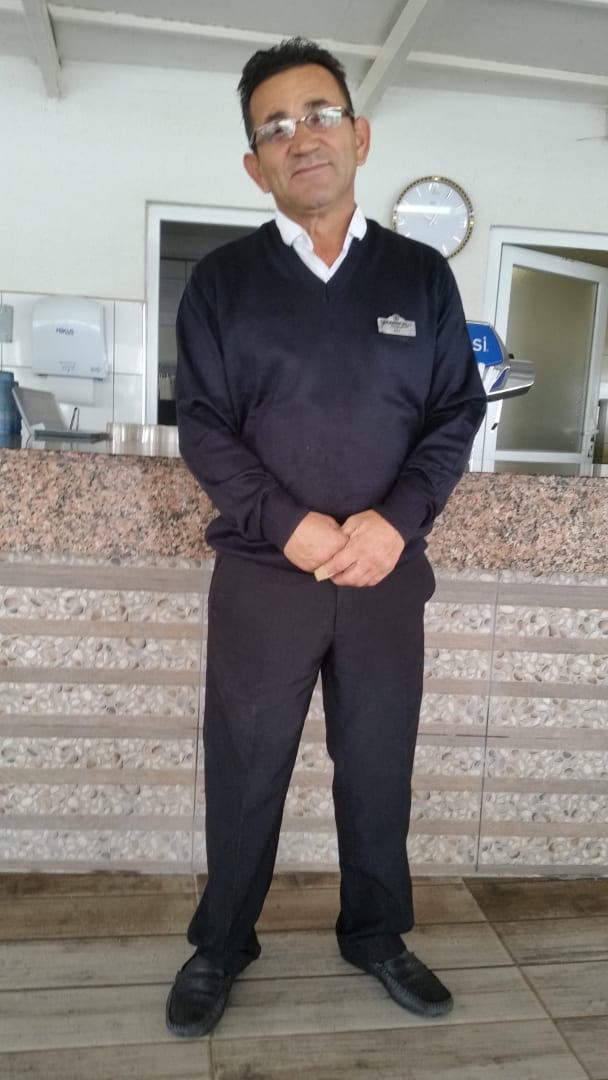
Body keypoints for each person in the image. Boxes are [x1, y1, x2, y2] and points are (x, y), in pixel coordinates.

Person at [167, 36, 487, 1038]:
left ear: (358, 135)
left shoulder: (420, 277)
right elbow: (203, 427)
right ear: (253, 165)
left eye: (317, 114)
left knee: (379, 765)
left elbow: (455, 414)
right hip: (265, 579)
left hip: (385, 577)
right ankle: (222, 944)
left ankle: (376, 934)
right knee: (245, 767)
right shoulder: (222, 283)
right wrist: (290, 526)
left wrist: (395, 524)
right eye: (274, 127)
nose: (298, 136)